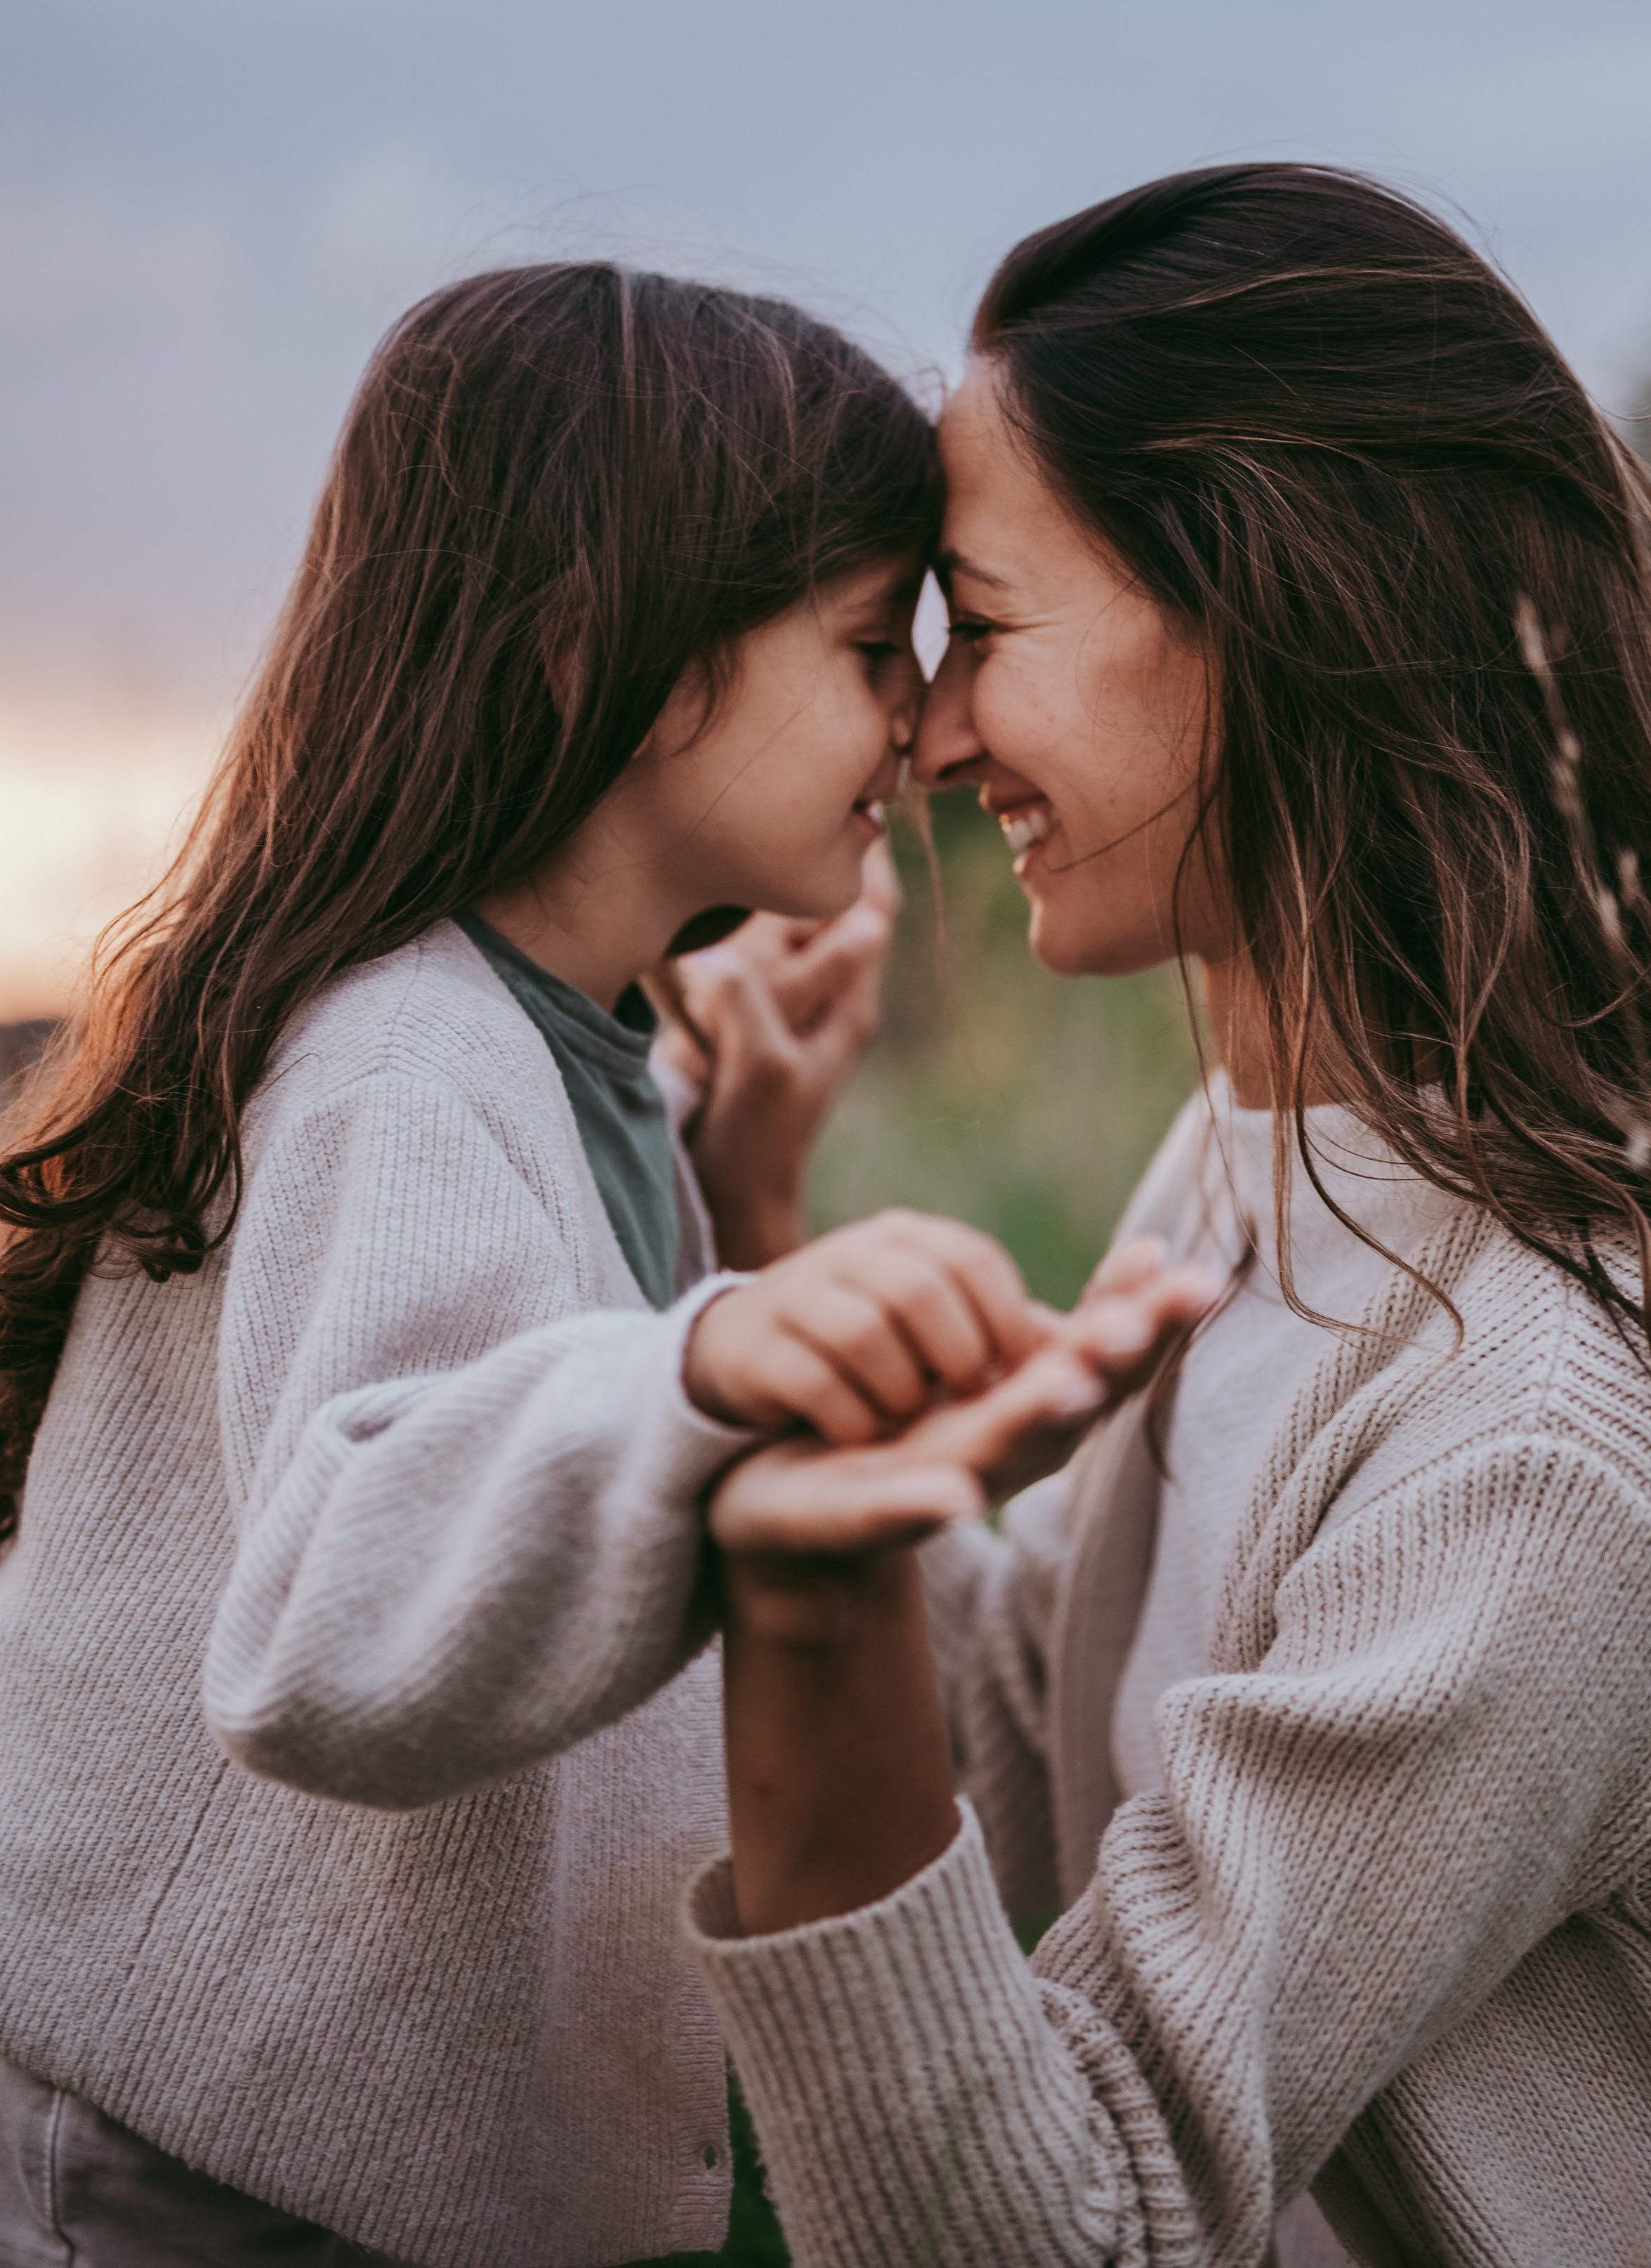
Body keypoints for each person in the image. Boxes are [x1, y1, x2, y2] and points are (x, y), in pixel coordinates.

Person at [0, 261, 1206, 2268]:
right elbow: (339, 1610)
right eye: (860, 642)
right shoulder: (406, 1058)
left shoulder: (575, 1059)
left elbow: (549, 1446)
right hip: (183, 2198)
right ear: (609, 656)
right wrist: (718, 1353)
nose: (919, 723)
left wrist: (737, 1214)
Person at [683, 165, 1651, 2267]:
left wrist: (811, 1606)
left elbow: (1072, 2224)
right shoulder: (1251, 1171)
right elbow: (1015, 1734)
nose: (924, 737)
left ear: (1276, 613)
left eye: (986, 628)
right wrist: (730, 1247)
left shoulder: (1555, 1440)